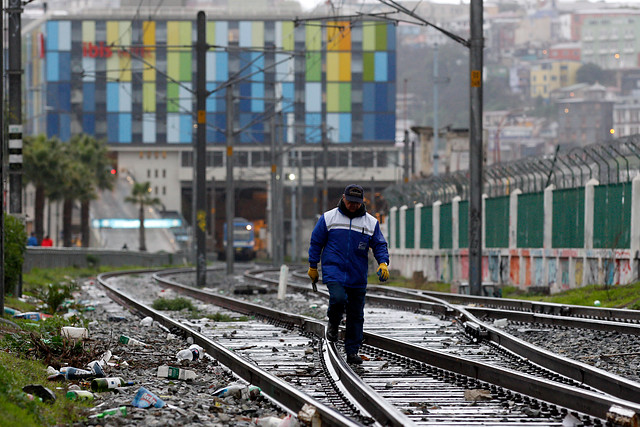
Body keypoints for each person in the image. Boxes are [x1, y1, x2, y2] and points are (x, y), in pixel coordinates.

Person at [308, 184, 389, 365]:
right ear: (343, 198)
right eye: (350, 202)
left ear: (362, 202)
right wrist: (313, 266)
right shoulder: (329, 218)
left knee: (356, 315)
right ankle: (334, 324)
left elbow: (379, 244)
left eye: (356, 203)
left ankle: (352, 351)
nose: (353, 206)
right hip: (334, 270)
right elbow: (316, 242)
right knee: (337, 299)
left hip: (357, 274)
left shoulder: (370, 222)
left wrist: (383, 263)